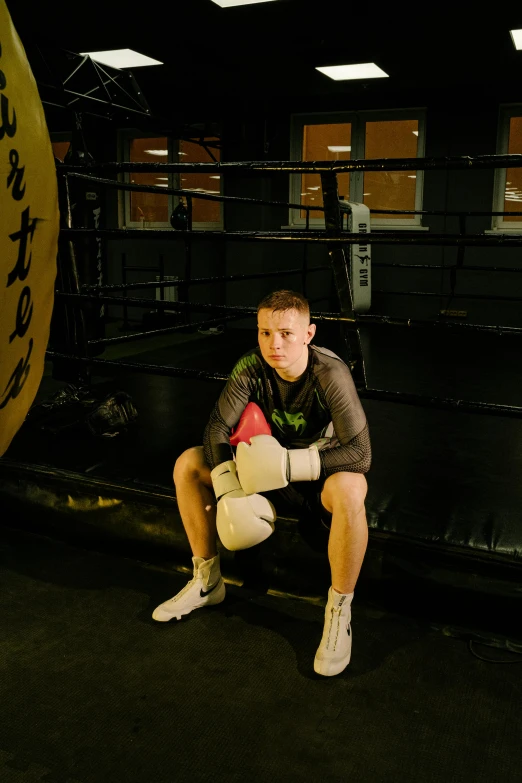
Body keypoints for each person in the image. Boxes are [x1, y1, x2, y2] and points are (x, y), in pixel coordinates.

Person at [153, 290, 371, 677]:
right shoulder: (251, 367)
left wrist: (288, 463)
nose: (275, 344)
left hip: (315, 477)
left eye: (286, 333)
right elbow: (217, 428)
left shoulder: (329, 373)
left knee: (352, 489)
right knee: (188, 463)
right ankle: (207, 580)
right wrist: (227, 488)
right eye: (265, 332)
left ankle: (339, 610)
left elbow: (361, 452)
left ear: (309, 333)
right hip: (262, 473)